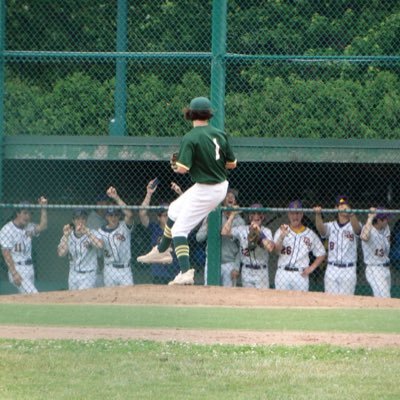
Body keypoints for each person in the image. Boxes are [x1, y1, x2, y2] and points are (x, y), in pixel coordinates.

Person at [137, 96, 237, 285]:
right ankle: (162, 250)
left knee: (179, 230)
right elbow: (231, 164)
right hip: (215, 185)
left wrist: (176, 167)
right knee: (174, 209)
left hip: (208, 189)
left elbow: (182, 169)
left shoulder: (190, 137)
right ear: (209, 115)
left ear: (190, 114)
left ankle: (185, 273)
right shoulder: (220, 134)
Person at [314, 195, 362, 295]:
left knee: (346, 303)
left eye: (346, 205)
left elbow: (358, 230)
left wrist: (351, 213)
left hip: (348, 269)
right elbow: (321, 230)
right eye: (341, 205)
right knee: (330, 302)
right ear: (336, 208)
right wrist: (318, 215)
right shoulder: (331, 225)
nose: (344, 207)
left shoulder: (354, 223)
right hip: (332, 268)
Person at [274, 200, 326, 292]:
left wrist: (311, 268)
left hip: (301, 274)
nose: (295, 216)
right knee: (281, 303)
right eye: (292, 213)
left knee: (301, 304)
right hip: (283, 273)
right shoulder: (282, 229)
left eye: (297, 213)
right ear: (288, 214)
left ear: (302, 214)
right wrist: (281, 237)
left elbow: (322, 253)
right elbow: (276, 251)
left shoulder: (310, 233)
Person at [197, 188, 245, 286]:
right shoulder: (213, 215)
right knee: (209, 293)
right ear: (222, 200)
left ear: (236, 201)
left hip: (230, 263)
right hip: (212, 261)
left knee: (228, 296)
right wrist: (207, 225)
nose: (230, 197)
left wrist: (236, 267)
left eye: (233, 196)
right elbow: (199, 238)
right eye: (227, 195)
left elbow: (242, 247)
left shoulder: (240, 221)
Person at [0, 197, 48, 294]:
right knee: (34, 295)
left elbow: (43, 226)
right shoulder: (7, 229)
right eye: (25, 213)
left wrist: (43, 208)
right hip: (17, 268)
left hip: (30, 268)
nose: (28, 216)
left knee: (27, 298)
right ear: (18, 213)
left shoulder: (29, 226)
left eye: (30, 213)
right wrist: (14, 273)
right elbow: (6, 253)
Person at [221, 203, 274, 288]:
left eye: (259, 214)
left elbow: (270, 248)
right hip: (246, 270)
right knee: (248, 299)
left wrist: (259, 232)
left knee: (262, 300)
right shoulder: (242, 229)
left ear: (263, 216)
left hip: (261, 271)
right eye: (253, 213)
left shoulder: (267, 231)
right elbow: (224, 232)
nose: (256, 216)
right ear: (249, 216)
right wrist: (232, 215)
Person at [138, 179, 180, 284]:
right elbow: (142, 214)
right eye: (165, 215)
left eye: (169, 215)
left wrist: (180, 193)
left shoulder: (177, 228)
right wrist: (148, 194)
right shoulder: (154, 227)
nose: (167, 218)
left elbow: (187, 210)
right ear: (158, 217)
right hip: (158, 273)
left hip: (175, 272)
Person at [57, 208, 103, 290]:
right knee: (73, 300)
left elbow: (100, 245)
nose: (80, 221)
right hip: (73, 274)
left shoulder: (92, 232)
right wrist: (66, 236)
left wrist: (87, 232)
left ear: (86, 220)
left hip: (88, 275)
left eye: (83, 218)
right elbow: (61, 253)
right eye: (78, 218)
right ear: (73, 220)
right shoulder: (69, 235)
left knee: (84, 300)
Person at [98, 186, 134, 287]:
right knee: (110, 297)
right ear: (106, 217)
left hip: (125, 269)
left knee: (128, 297)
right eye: (110, 215)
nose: (113, 218)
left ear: (119, 216)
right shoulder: (100, 231)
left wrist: (116, 197)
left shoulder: (124, 226)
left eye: (115, 215)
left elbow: (130, 214)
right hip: (109, 268)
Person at [360, 207, 391, 298]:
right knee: (384, 298)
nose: (387, 220)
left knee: (383, 297)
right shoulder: (368, 229)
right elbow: (364, 237)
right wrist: (370, 218)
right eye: (385, 219)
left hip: (385, 267)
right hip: (374, 268)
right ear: (378, 220)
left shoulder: (386, 228)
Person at [87, 193, 110, 288]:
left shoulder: (106, 217)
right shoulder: (93, 218)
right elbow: (93, 242)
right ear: (97, 203)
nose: (102, 204)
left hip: (106, 259)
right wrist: (99, 259)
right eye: (100, 202)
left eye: (104, 202)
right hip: (96, 259)